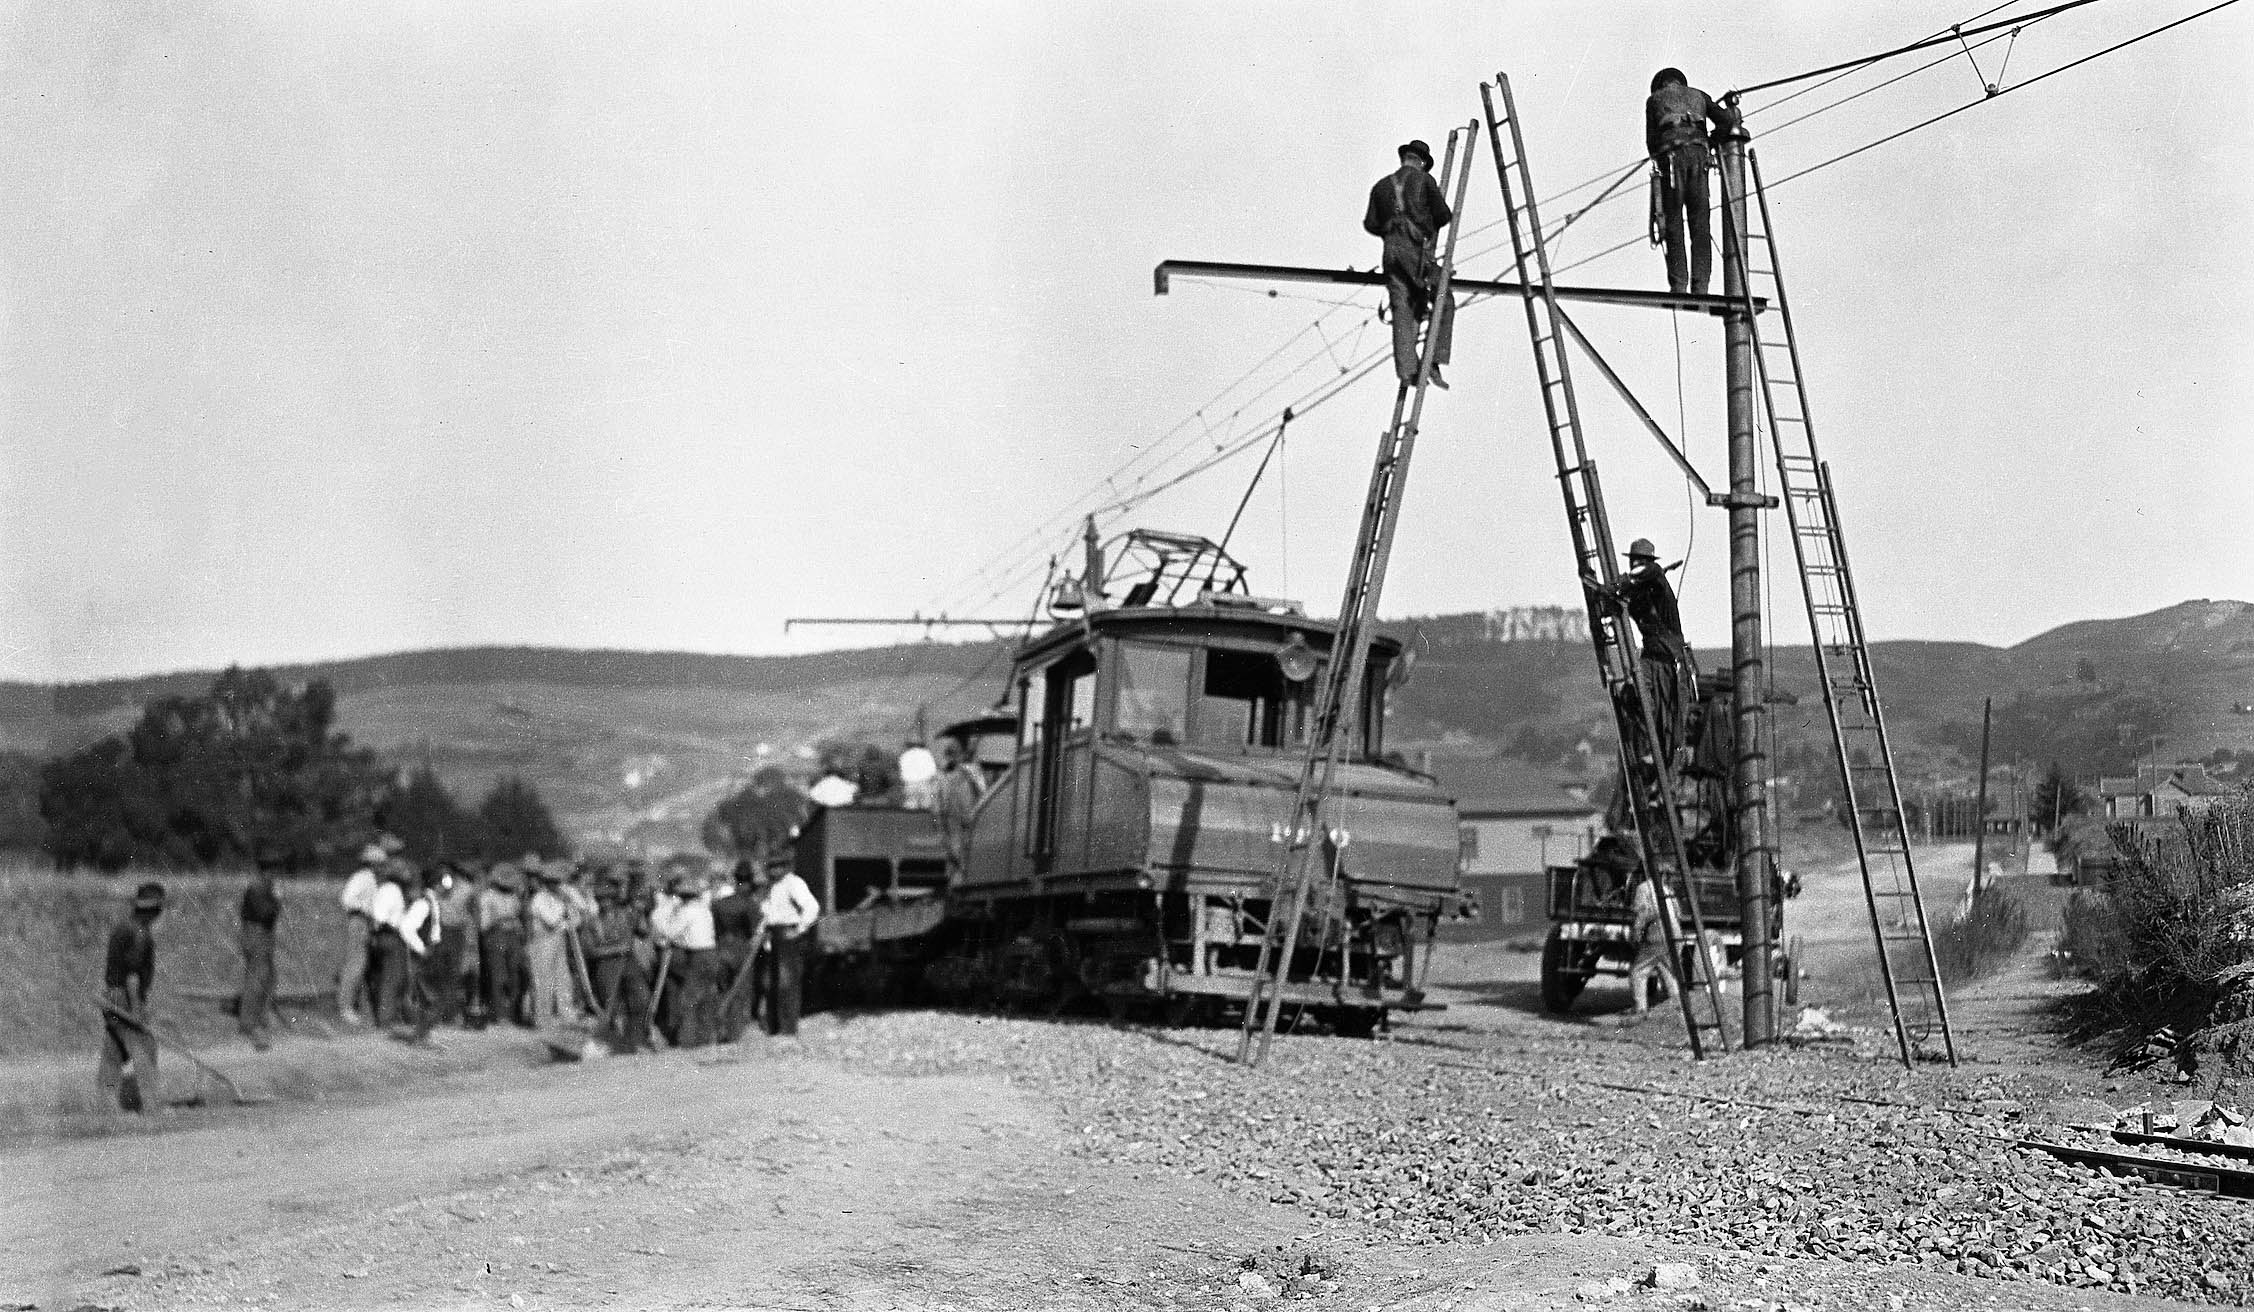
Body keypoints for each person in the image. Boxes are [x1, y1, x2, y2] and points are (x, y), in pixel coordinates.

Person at [1362, 138, 1455, 390]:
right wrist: (1422, 224)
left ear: (1404, 158)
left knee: (1402, 307)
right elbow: (1444, 215)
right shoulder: (1425, 180)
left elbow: (1371, 224)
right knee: (1444, 297)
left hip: (1390, 254)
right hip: (1415, 250)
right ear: (1422, 162)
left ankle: (1408, 372)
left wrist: (1390, 229)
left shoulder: (1381, 186)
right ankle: (1434, 359)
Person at [1594, 538, 1696, 767]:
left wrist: (1616, 585)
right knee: (1634, 697)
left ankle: (1664, 759)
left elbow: (1646, 572)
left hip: (1671, 660)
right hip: (1650, 657)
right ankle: (1648, 749)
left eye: (1639, 560)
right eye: (1634, 560)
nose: (1635, 564)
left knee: (1670, 719)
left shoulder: (1656, 579)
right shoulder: (1636, 592)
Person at [1645, 68, 1741, 296]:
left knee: (1674, 223)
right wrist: (1710, 141)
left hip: (1671, 160)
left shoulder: (1654, 100)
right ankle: (1701, 286)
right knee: (1700, 224)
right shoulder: (1699, 95)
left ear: (1660, 85)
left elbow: (1651, 143)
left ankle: (1679, 285)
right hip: (1699, 158)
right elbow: (1728, 121)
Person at [97, 881, 166, 1112]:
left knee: (113, 1049)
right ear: (155, 910)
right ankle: (150, 1105)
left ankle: (105, 1103)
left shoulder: (122, 927)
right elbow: (133, 976)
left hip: (111, 996)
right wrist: (136, 1009)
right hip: (126, 998)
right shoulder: (140, 934)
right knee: (145, 1047)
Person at [580, 872, 653, 1053]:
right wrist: (617, 949)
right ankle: (610, 1043)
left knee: (641, 999)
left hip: (629, 962)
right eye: (602, 900)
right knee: (610, 1007)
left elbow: (644, 932)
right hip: (606, 966)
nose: (605, 903)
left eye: (609, 899)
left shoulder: (627, 914)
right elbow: (590, 951)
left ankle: (636, 1039)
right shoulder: (592, 922)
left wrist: (641, 913)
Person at [652, 864, 720, 1047]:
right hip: (711, 953)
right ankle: (706, 1038)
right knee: (705, 996)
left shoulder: (686, 911)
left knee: (688, 999)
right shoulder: (704, 909)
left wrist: (661, 920)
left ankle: (689, 1041)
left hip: (698, 956)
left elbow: (670, 932)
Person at [760, 857, 822, 1037]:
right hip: (773, 935)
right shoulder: (772, 886)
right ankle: (776, 1026)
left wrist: (800, 928)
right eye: (771, 866)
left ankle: (788, 1028)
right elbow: (768, 913)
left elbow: (812, 906)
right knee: (773, 983)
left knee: (787, 982)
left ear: (785, 867)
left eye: (778, 866)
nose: (774, 870)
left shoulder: (794, 883)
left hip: (788, 934)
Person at [711, 861, 766, 1042]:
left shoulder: (719, 904)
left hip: (722, 948)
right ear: (750, 881)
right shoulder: (750, 904)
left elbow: (716, 929)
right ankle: (733, 1034)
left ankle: (720, 1030)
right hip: (741, 950)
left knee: (723, 989)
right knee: (740, 991)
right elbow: (755, 930)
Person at [526, 861, 584, 1027]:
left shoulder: (562, 897)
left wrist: (570, 899)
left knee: (563, 977)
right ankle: (543, 1018)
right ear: (547, 882)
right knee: (544, 980)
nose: (558, 885)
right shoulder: (539, 899)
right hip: (542, 942)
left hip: (559, 940)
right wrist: (565, 910)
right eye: (554, 882)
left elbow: (579, 913)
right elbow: (551, 920)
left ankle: (566, 1015)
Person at [477, 861, 531, 1026]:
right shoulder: (487, 897)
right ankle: (500, 1014)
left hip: (513, 937)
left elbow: (519, 917)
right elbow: (484, 924)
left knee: (515, 975)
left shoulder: (514, 896)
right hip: (496, 936)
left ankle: (513, 1013)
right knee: (499, 976)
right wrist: (501, 919)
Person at [336, 843, 384, 1024]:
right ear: (372, 863)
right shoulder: (362, 878)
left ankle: (353, 1006)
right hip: (359, 921)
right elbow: (347, 899)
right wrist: (366, 909)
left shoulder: (370, 878)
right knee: (355, 964)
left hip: (365, 922)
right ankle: (345, 1007)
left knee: (361, 964)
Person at [368, 859, 416, 1026]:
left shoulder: (388, 889)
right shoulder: (392, 890)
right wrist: (394, 929)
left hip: (387, 936)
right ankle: (386, 1018)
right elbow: (380, 917)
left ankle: (391, 1015)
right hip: (390, 936)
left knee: (395, 977)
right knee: (393, 978)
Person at [1626, 869, 1679, 1018]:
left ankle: (1640, 1010)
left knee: (1638, 972)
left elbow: (1642, 914)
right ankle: (1677, 1008)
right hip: (1674, 933)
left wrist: (1636, 933)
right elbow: (1678, 913)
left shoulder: (1643, 888)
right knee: (1667, 971)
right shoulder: (1668, 890)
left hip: (1657, 934)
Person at [238, 869, 281, 1050]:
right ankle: (250, 1024)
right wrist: (277, 899)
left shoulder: (261, 886)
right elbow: (266, 914)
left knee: (268, 977)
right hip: (256, 935)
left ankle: (262, 1018)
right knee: (257, 978)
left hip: (261, 934)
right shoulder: (257, 888)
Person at [936, 738, 987, 875]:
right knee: (958, 851)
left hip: (960, 817)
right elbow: (982, 793)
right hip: (959, 818)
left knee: (958, 851)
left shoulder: (950, 775)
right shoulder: (967, 773)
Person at [898, 739, 939, 810]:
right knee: (926, 804)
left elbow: (902, 769)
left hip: (910, 782)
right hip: (925, 782)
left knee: (911, 804)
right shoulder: (927, 753)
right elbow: (932, 769)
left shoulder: (905, 754)